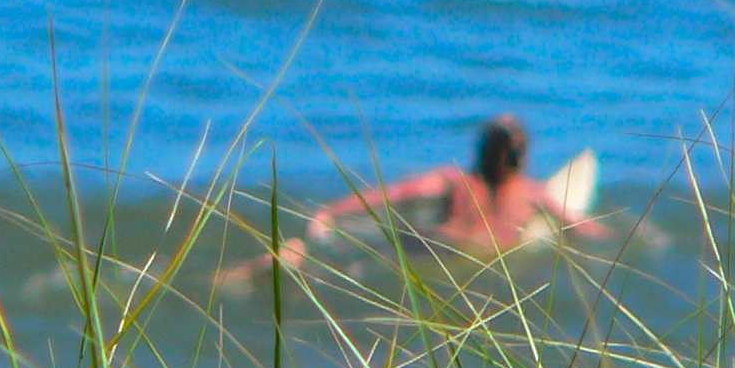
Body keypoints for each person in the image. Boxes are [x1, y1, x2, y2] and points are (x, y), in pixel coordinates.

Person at [219, 114, 609, 283]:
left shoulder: (454, 180)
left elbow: (392, 194)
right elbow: (583, 228)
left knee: (351, 259)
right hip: (481, 257)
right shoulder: (533, 194)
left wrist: (330, 211)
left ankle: (278, 261)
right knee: (353, 272)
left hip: (430, 242)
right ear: (521, 157)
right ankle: (296, 264)